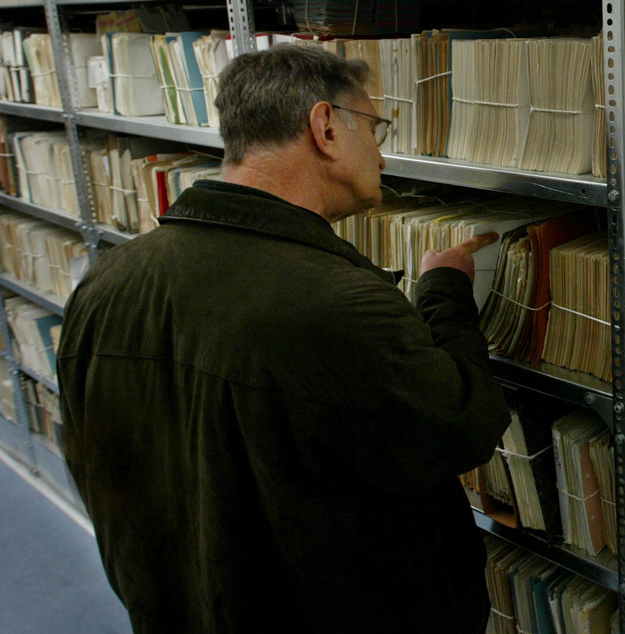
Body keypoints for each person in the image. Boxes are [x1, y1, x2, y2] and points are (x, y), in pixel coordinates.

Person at [57, 45, 511, 633]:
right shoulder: (337, 305)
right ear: (324, 127)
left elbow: (94, 466)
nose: (380, 150)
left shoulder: (103, 284)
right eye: (375, 127)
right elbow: (466, 426)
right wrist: (444, 293)